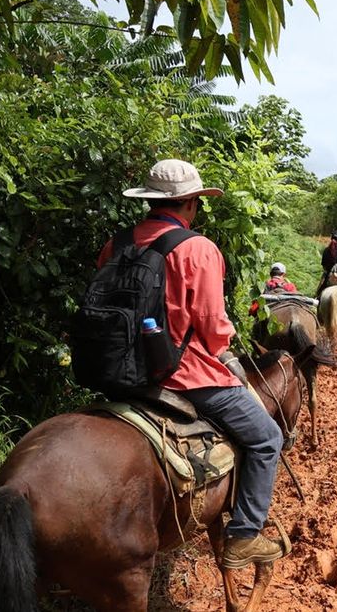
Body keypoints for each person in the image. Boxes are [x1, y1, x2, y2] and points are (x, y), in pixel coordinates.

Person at [101, 158, 288, 568]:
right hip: (186, 374)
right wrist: (225, 345)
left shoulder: (117, 244)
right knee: (266, 438)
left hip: (117, 372)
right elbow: (211, 326)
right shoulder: (197, 248)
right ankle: (244, 536)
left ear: (151, 202)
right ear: (191, 203)